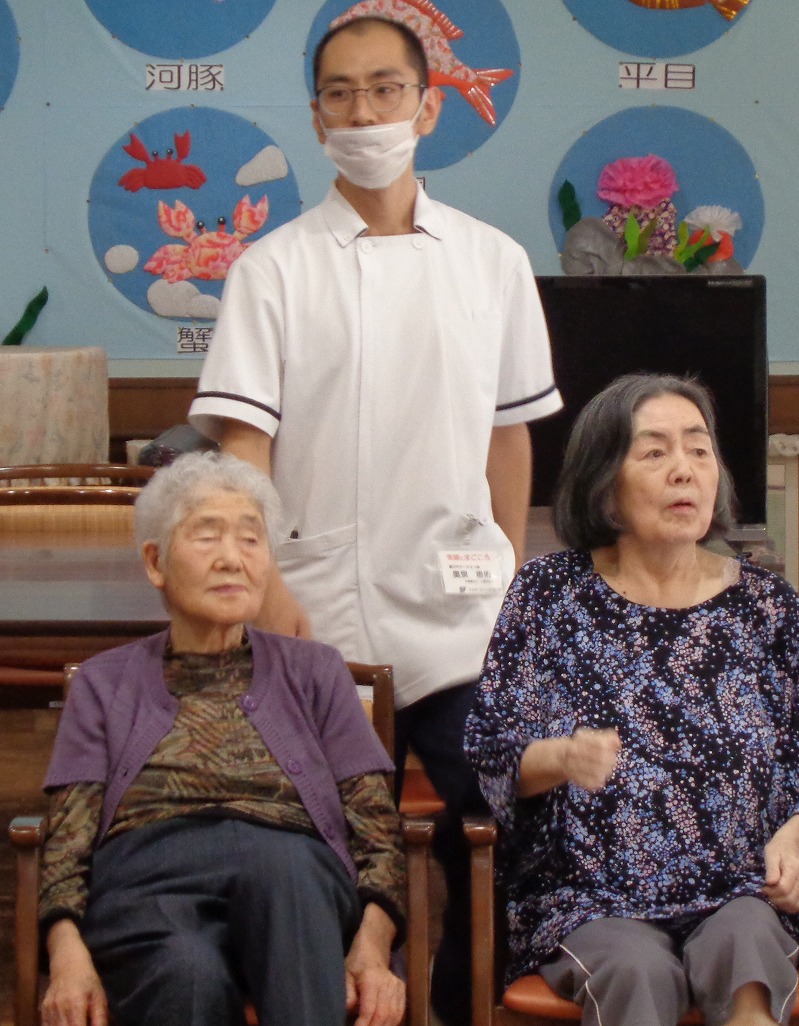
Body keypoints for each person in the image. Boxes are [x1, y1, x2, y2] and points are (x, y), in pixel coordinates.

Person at [187, 15, 561, 1024]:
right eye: (341, 94)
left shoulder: (492, 261)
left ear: (427, 107)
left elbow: (508, 436)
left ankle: (465, 999)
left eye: (386, 89)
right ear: (317, 118)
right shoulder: (274, 268)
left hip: (461, 616)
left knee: (504, 824)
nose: (365, 113)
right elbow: (243, 448)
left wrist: (507, 576)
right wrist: (269, 594)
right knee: (319, 848)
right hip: (317, 616)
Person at [465, 374, 799, 1026]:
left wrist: (794, 838)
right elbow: (490, 749)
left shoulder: (765, 605)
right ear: (604, 482)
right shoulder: (548, 595)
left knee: (746, 947)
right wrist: (561, 757)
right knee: (635, 971)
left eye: (699, 450)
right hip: (591, 896)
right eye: (654, 452)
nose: (684, 470)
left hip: (740, 886)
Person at [38, 452, 405, 1026]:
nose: (232, 558)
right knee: (187, 973)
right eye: (207, 536)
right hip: (148, 880)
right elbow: (67, 840)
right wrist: (66, 954)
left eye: (251, 539)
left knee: (283, 869)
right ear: (156, 562)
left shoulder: (317, 671)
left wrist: (373, 947)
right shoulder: (103, 683)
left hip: (295, 881)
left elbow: (378, 828)